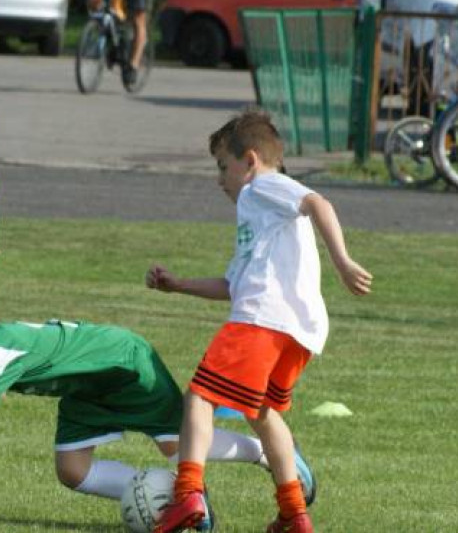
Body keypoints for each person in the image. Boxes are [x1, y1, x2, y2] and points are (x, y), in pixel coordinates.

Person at [0, 259, 276, 510]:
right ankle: (167, 499)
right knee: (73, 471)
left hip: (122, 364)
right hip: (84, 388)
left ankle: (265, 454)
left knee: (176, 447)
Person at [146, 110, 373, 533]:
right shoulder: (261, 220)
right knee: (264, 413)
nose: (220, 180)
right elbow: (233, 285)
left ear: (250, 161)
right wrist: (178, 285)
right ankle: (294, 513)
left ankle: (188, 494)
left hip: (262, 321)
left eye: (223, 167)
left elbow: (318, 203)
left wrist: (342, 262)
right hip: (297, 332)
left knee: (199, 398)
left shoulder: (262, 187)